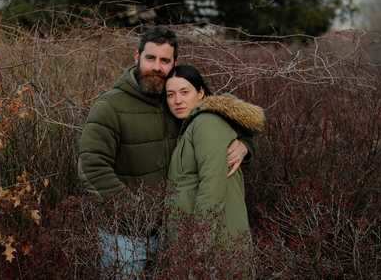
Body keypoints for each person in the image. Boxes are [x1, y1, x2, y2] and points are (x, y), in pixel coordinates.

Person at [77, 26, 253, 276]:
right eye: (150, 58)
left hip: (171, 234)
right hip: (126, 239)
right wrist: (137, 214)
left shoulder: (175, 100)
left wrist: (245, 144)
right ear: (136, 57)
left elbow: (220, 120)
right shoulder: (109, 107)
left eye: (165, 60)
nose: (157, 67)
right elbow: (91, 168)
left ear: (174, 63)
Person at [164, 64, 265, 259]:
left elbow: (212, 187)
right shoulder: (192, 125)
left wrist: (198, 247)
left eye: (184, 92)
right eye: (170, 95)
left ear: (200, 92)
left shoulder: (207, 123)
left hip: (213, 244)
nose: (177, 100)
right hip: (197, 237)